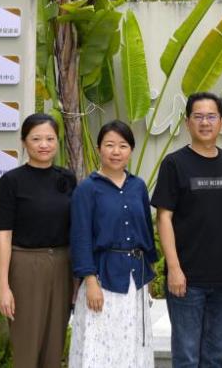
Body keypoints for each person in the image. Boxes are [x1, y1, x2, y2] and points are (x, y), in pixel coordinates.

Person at [151, 92, 222, 368]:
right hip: (186, 280)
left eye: (211, 116)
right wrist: (174, 268)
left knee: (215, 357)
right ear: (187, 122)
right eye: (198, 117)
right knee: (187, 358)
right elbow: (164, 218)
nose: (205, 123)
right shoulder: (174, 163)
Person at [69, 120, 157, 367]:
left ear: (131, 150)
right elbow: (80, 237)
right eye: (109, 145)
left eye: (123, 145)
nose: (116, 151)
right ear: (99, 149)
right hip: (102, 278)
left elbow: (146, 231)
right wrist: (90, 281)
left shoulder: (138, 186)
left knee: (132, 343)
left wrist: (148, 276)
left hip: (135, 278)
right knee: (101, 343)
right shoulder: (87, 189)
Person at [0, 113, 77, 368]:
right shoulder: (12, 181)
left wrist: (77, 281)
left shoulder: (68, 178)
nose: (44, 145)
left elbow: (76, 229)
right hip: (25, 266)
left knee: (55, 345)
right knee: (26, 345)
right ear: (24, 142)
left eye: (50, 139)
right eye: (36, 139)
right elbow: (4, 235)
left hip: (62, 264)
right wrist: (3, 286)